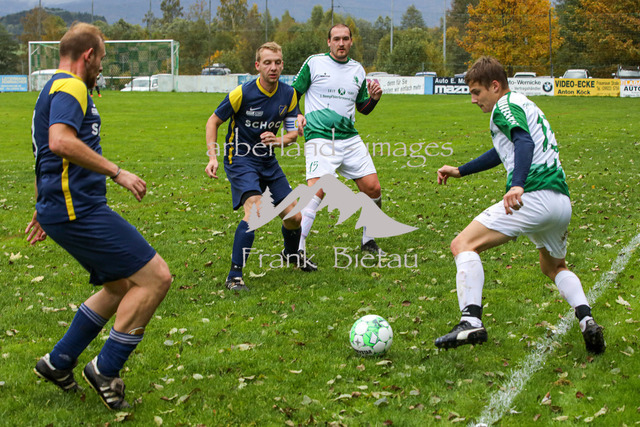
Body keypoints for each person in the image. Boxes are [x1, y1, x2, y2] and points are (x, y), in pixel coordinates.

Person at [27, 23, 172, 409]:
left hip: (63, 208)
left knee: (119, 286)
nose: (102, 66)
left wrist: (43, 206)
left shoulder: (52, 87)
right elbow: (59, 142)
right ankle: (106, 370)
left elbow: (42, 152)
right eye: (102, 58)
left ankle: (58, 362)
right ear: (88, 55)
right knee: (156, 278)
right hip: (79, 210)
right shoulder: (72, 87)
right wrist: (116, 172)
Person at [434, 56, 605, 354]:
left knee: (462, 244)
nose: (473, 100)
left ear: (495, 86)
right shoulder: (524, 104)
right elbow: (503, 151)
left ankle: (470, 320)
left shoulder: (504, 106)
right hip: (560, 201)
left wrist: (518, 184)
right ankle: (586, 319)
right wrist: (461, 170)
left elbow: (523, 142)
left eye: (476, 92)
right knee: (553, 266)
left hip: (533, 196)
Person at [205, 42, 316, 292]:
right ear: (257, 65)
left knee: (294, 217)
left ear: (282, 65)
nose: (273, 67)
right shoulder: (242, 93)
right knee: (255, 210)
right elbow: (213, 121)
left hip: (268, 161)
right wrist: (212, 157)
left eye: (277, 62)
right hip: (240, 158)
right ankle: (234, 276)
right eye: (267, 63)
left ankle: (291, 254)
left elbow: (291, 135)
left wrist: (279, 140)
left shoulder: (289, 95)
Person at [292, 23, 384, 262]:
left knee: (373, 188)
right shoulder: (314, 63)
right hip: (319, 135)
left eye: (345, 39)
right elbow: (292, 94)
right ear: (329, 42)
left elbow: (363, 108)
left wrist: (374, 99)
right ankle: (297, 249)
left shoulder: (358, 70)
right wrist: (296, 115)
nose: (341, 43)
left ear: (351, 41)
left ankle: (368, 240)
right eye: (336, 39)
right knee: (317, 190)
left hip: (349, 138)